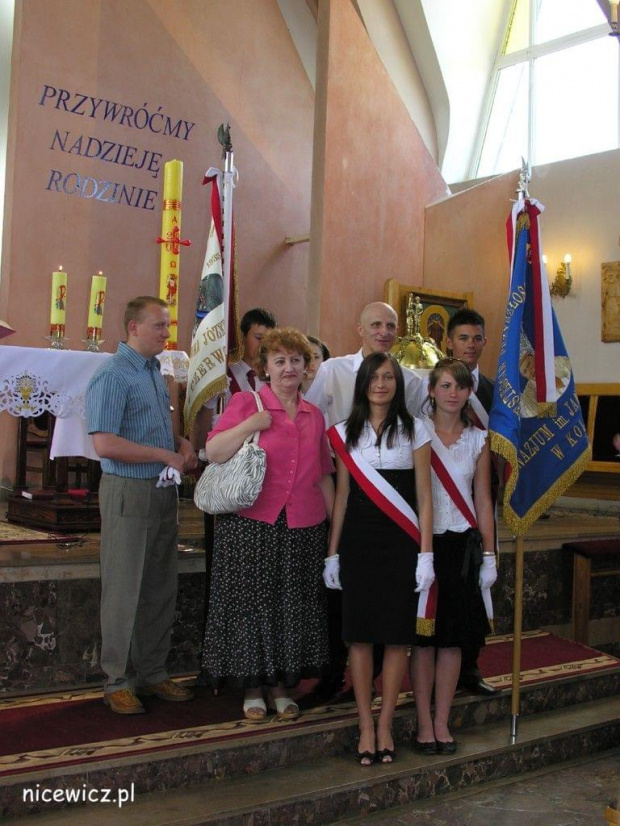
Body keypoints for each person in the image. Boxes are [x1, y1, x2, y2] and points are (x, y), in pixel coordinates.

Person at [201, 327, 335, 721]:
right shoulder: (247, 402)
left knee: (290, 606)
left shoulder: (315, 414)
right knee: (251, 606)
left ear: (307, 368)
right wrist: (249, 425)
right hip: (252, 524)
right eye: (280, 361)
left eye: (297, 360)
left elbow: (323, 474)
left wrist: (335, 533)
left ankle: (280, 685)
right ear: (266, 368)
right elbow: (212, 451)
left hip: (304, 524)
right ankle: (253, 688)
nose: (289, 368)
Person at [305, 301, 426, 702]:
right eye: (375, 323)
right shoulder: (333, 369)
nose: (384, 331)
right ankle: (331, 678)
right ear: (359, 327)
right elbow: (310, 418)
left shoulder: (410, 378)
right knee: (343, 605)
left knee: (389, 615)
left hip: (394, 505)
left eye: (391, 325)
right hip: (344, 492)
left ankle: (369, 684)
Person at [86, 296, 199, 714]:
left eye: (167, 325)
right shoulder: (113, 375)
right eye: (159, 326)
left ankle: (152, 672)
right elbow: (105, 443)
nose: (166, 333)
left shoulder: (155, 371)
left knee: (158, 585)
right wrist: (162, 456)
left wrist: (181, 445)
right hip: (128, 493)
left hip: (160, 491)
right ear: (134, 327)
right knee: (123, 586)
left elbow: (157, 432)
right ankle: (117, 679)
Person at [324, 353, 433, 764]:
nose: (381, 384)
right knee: (361, 634)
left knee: (396, 635)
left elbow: (424, 497)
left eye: (389, 377)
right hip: (359, 543)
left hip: (401, 543)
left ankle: (385, 722)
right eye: (374, 377)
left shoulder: (416, 430)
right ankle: (364, 724)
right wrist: (332, 554)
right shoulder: (342, 432)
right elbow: (344, 497)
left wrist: (426, 554)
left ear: (398, 384)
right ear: (363, 383)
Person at [411, 358, 496, 754]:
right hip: (423, 547)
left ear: (468, 393)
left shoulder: (478, 440)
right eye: (444, 386)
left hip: (462, 548)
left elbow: (482, 498)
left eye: (459, 387)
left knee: (452, 641)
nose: (452, 393)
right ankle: (423, 723)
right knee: (423, 640)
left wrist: (490, 555)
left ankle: (442, 720)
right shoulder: (414, 431)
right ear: (431, 390)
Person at [192, 307, 277, 689]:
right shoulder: (225, 377)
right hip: (232, 479)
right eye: (259, 337)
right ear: (244, 338)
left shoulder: (278, 378)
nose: (264, 344)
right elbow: (204, 420)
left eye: (269, 337)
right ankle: (219, 662)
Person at [445, 308, 498, 696]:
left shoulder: (495, 392)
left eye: (477, 338)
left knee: (478, 584)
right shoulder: (434, 385)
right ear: (449, 341)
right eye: (463, 337)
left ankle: (470, 666)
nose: (471, 344)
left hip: (480, 499)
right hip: (441, 502)